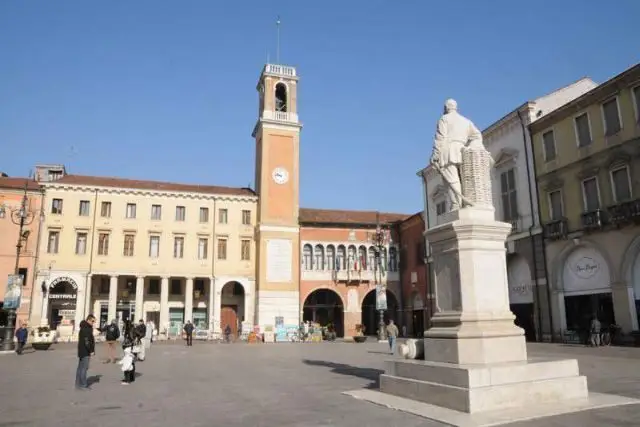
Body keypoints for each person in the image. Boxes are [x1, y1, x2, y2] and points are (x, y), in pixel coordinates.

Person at [430, 99, 482, 210]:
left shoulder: (444, 119)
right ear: (456, 107)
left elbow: (440, 137)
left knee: (451, 179)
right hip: (463, 151)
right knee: (464, 178)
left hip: (448, 151)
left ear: (445, 108)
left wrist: (435, 155)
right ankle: (464, 203)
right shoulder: (466, 121)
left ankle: (456, 205)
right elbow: (477, 136)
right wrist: (471, 147)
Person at [76, 314, 96, 390]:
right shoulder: (87, 329)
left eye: (94, 321)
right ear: (88, 320)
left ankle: (78, 383)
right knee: (84, 368)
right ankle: (83, 385)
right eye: (92, 321)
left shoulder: (83, 327)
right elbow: (87, 341)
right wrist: (91, 350)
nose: (93, 323)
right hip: (85, 351)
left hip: (81, 350)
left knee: (80, 368)